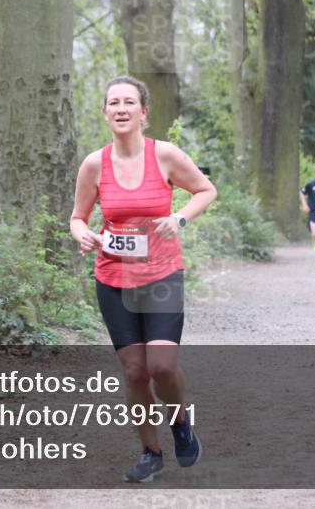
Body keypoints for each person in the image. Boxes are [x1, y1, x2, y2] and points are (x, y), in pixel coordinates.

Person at [69, 75, 217, 482]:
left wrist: (179, 217)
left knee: (163, 367)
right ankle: (150, 452)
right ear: (104, 113)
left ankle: (181, 425)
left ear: (143, 112)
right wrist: (83, 234)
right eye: (113, 102)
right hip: (114, 277)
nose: (121, 108)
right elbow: (78, 217)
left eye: (129, 102)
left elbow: (205, 190)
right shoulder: (94, 164)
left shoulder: (165, 155)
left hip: (162, 275)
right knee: (135, 371)